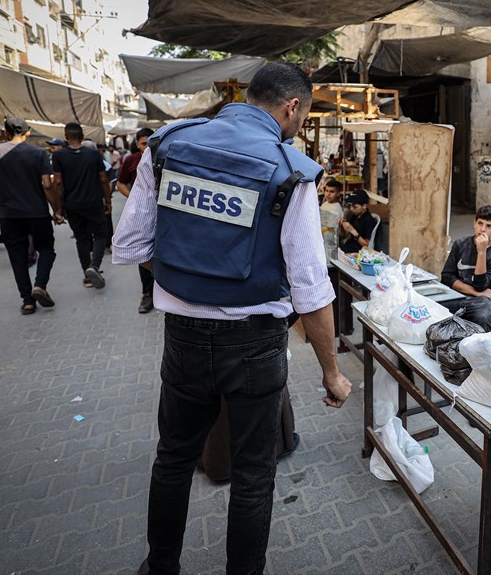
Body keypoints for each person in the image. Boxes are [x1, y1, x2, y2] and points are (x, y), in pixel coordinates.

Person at [112, 62, 352, 575]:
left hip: (182, 339)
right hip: (256, 345)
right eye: (304, 116)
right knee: (252, 475)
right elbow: (310, 287)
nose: (301, 126)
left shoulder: (168, 145)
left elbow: (131, 244)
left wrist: (187, 281)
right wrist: (332, 372)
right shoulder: (292, 170)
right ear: (292, 108)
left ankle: (160, 567)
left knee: (174, 458)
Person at [0, 117, 62, 315]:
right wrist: (57, 211)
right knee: (47, 250)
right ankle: (40, 285)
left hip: (9, 215)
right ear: (27, 133)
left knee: (17, 257)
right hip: (37, 213)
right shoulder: (38, 153)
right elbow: (47, 185)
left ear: (6, 133)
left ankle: (27, 301)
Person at [52, 122, 112, 289]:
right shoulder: (93, 154)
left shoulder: (59, 156)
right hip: (93, 202)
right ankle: (94, 266)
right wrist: (108, 201)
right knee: (100, 234)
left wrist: (58, 208)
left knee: (81, 238)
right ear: (82, 136)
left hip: (72, 204)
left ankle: (87, 276)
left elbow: (57, 183)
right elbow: (103, 179)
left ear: (66, 137)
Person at [439, 205, 491, 332]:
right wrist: (475, 292)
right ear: (474, 224)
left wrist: (482, 252)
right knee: (433, 309)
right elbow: (447, 277)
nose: (482, 229)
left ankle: (480, 349)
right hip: (457, 294)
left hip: (480, 300)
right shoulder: (460, 244)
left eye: (489, 226)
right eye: (480, 223)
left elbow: (481, 285)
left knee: (483, 316)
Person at [117, 128, 155, 313]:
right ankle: (147, 294)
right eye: (143, 144)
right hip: (141, 215)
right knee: (143, 253)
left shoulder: (165, 157)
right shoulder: (131, 160)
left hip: (161, 216)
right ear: (137, 144)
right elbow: (120, 183)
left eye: (149, 143)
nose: (146, 147)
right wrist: (134, 198)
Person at [338, 188, 377, 254]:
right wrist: (342, 227)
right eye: (350, 206)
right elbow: (343, 236)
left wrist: (352, 230)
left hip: (359, 251)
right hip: (349, 246)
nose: (351, 209)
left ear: (364, 206)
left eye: (355, 207)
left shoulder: (369, 220)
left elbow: (366, 244)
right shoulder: (354, 215)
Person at [319, 178, 343, 261]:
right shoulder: (324, 204)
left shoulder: (337, 208)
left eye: (332, 192)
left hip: (331, 242)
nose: (328, 194)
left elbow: (337, 230)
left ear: (338, 193)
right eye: (327, 191)